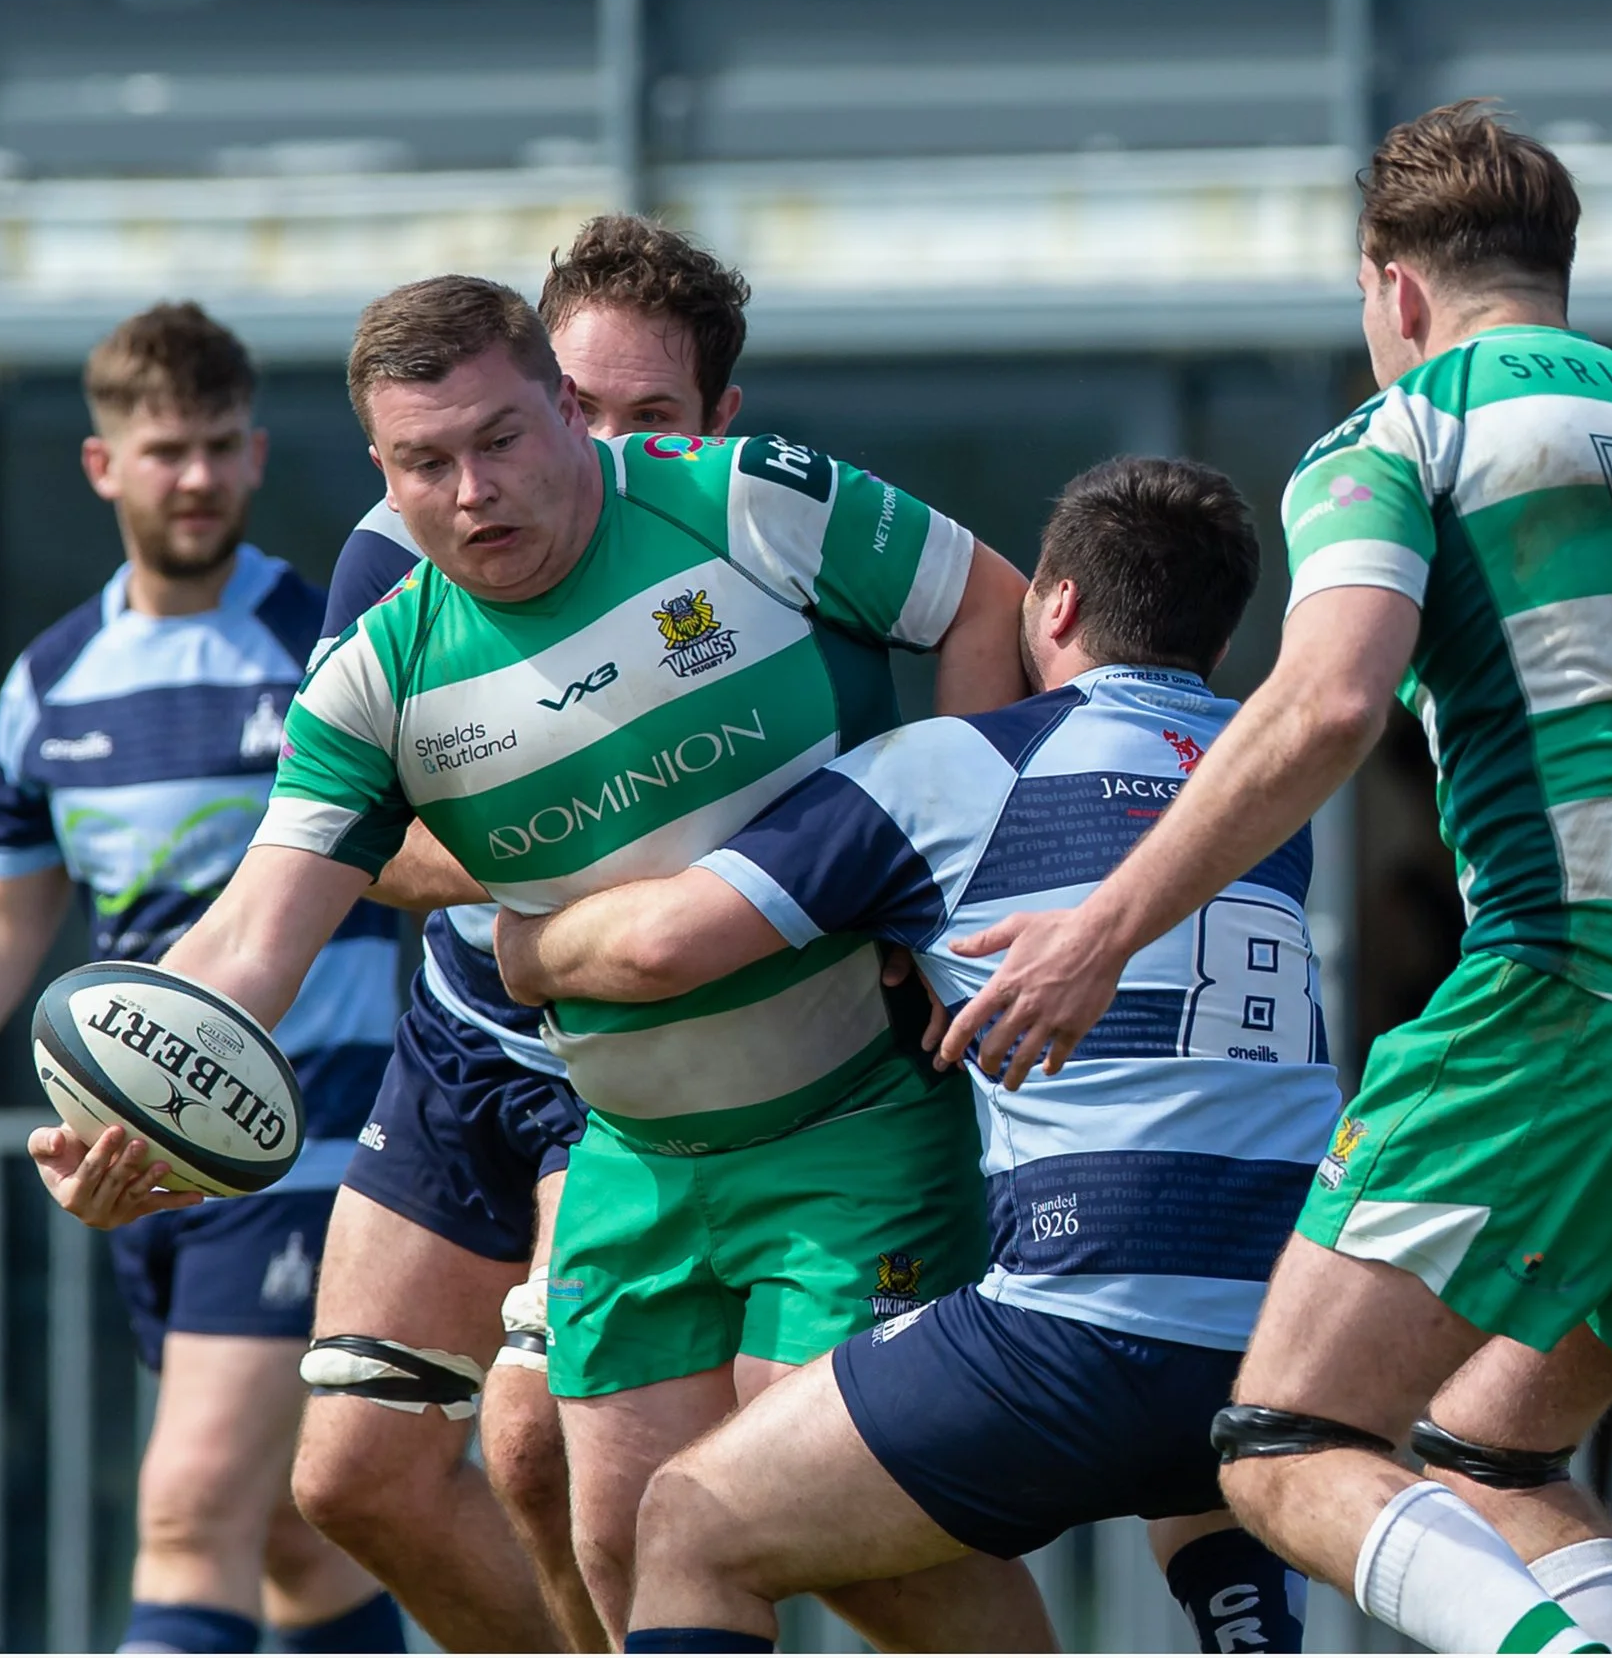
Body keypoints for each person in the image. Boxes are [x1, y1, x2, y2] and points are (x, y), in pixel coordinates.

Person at [919, 101, 1612, 1655]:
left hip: (1577, 994)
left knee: (1285, 1440)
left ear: (1393, 288)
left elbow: (1325, 704)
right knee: (1496, 1450)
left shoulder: (1402, 429)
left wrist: (1101, 929)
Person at [32, 272, 1051, 1649]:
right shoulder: (374, 677)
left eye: (500, 440)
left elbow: (991, 600)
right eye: (423, 464)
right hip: (629, 1144)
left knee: (825, 1510)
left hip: (853, 1119)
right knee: (626, 1535)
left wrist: (951, 898)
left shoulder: (746, 498)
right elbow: (256, 930)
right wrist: (131, 1108)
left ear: (568, 408)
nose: (470, 493)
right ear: (382, 472)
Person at [488, 454, 1320, 1654]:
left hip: (1069, 1333)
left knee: (687, 1519)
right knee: (1197, 1454)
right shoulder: (1269, 792)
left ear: (1057, 606)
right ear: (1221, 636)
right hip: (1284, 1323)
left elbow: (664, 945)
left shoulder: (958, 767)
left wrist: (521, 943)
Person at [0, 304, 401, 1655]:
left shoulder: (335, 642)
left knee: (189, 1507)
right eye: (165, 450)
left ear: (256, 456)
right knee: (290, 1535)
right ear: (106, 466)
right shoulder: (49, 681)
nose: (195, 476)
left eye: (219, 447)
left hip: (301, 1153)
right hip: (138, 1164)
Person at [288, 215, 751, 1654]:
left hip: (634, 1066)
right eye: (583, 405)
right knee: (350, 1478)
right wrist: (563, 858)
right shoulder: (399, 550)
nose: (606, 445)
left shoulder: (748, 527)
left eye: (653, 418)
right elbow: (347, 845)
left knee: (540, 1436)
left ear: (717, 422)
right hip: (462, 1032)